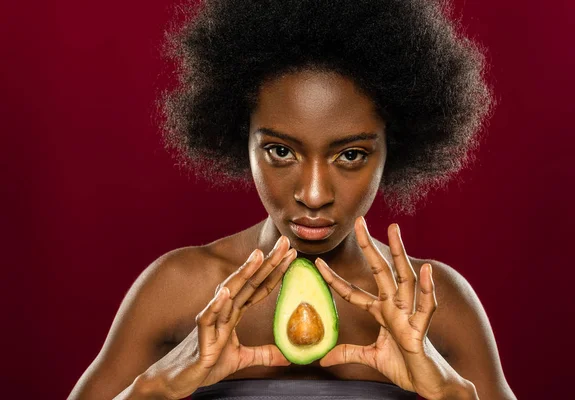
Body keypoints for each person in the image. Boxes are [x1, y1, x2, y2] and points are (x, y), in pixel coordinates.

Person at [68, 0, 516, 399]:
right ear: (239, 136)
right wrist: (154, 391)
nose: (314, 195)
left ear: (393, 147)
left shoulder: (435, 301)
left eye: (351, 154)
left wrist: (450, 394)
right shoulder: (179, 288)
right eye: (281, 151)